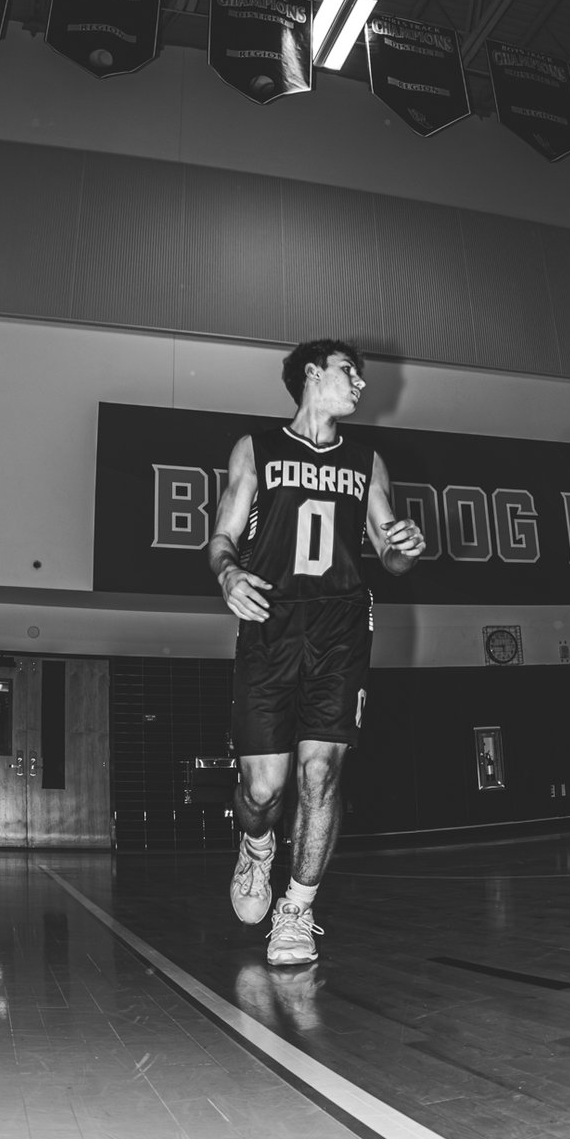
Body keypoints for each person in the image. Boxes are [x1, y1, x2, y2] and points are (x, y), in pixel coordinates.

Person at [208, 339, 425, 964]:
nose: (360, 383)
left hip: (341, 625)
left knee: (321, 773)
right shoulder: (256, 449)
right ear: (311, 374)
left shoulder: (367, 461)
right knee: (262, 791)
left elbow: (390, 553)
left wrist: (406, 546)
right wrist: (228, 574)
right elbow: (222, 537)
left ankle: (297, 910)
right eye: (348, 371)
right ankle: (256, 848)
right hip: (270, 623)